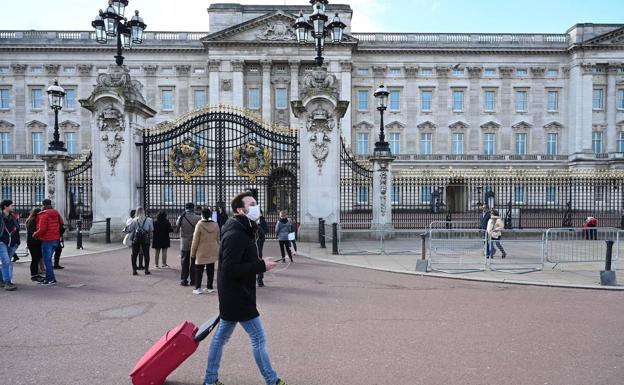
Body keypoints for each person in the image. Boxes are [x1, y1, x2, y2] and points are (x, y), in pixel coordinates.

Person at [204, 191, 287, 385]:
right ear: (240, 210)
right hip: (238, 296)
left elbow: (239, 261)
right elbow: (230, 268)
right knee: (258, 338)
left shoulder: (243, 229)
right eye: (253, 203)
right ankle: (272, 380)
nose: (257, 206)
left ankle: (209, 380)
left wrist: (260, 262)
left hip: (236, 294)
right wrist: (260, 266)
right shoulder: (236, 234)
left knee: (220, 339)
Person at [33, 199, 64, 286]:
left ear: (43, 205)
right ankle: (48, 278)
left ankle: (51, 279)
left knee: (47, 261)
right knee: (48, 260)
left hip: (47, 240)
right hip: (56, 239)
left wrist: (35, 234)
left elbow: (42, 229)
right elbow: (61, 223)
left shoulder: (43, 215)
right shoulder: (56, 213)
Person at [190, 208, 220, 295]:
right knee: (211, 269)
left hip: (201, 251)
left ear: (202, 215)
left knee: (199, 270)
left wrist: (193, 252)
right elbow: (218, 239)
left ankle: (198, 287)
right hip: (212, 249)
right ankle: (209, 287)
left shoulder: (199, 225)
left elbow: (195, 240)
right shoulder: (215, 224)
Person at [176, 202, 200, 286]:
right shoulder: (198, 217)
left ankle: (184, 279)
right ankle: (193, 280)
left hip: (184, 243)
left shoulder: (181, 217)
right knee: (194, 262)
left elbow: (177, 225)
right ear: (193, 208)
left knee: (184, 262)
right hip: (194, 242)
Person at [126, 207, 154, 275]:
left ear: (137, 212)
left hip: (136, 239)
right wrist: (151, 239)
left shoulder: (134, 220)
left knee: (134, 254)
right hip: (145, 239)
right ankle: (146, 270)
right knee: (146, 254)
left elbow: (131, 230)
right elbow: (151, 230)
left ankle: (134, 270)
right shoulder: (149, 220)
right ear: (144, 212)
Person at [0, 200, 20, 291]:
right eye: (11, 205)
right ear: (5, 207)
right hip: (2, 242)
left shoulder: (14, 217)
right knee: (6, 261)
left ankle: (1, 280)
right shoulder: (0, 217)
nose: (13, 207)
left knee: (6, 262)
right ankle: (7, 282)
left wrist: (17, 242)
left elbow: (17, 230)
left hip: (12, 242)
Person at [26, 207, 43, 282]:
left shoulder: (30, 219)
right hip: (34, 242)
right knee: (35, 259)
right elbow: (34, 232)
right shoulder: (33, 221)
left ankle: (36, 274)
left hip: (32, 242)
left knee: (36, 258)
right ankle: (34, 275)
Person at [256, 209, 268, 287]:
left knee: (259, 260)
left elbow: (265, 231)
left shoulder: (262, 221)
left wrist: (260, 243)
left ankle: (260, 280)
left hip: (258, 245)